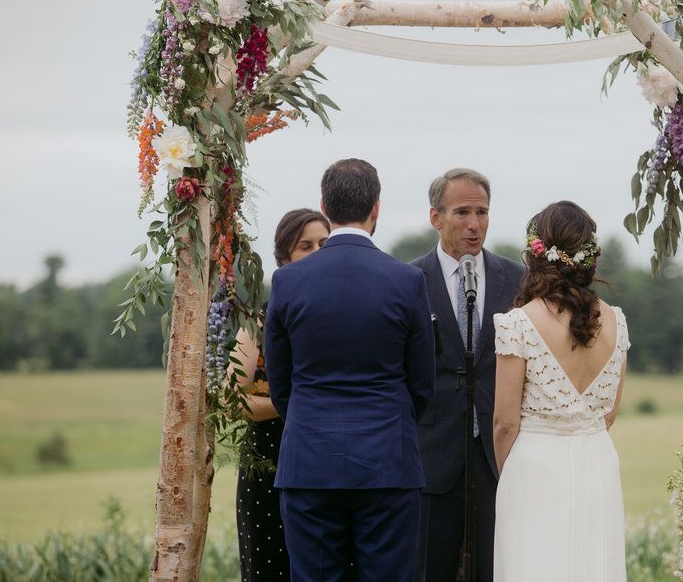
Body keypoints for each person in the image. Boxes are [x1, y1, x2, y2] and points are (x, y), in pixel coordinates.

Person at [265, 158, 436, 582]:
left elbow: (281, 384)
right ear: (376, 208)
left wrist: (309, 420)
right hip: (387, 463)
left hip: (309, 462)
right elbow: (422, 382)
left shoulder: (288, 281)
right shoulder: (406, 280)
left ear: (324, 206)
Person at [492, 201, 629, 582]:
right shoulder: (616, 321)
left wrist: (511, 475)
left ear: (535, 252)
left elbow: (505, 423)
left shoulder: (517, 323)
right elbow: (610, 412)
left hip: (534, 465)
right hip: (597, 462)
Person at [410, 168, 524, 582]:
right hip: (432, 454)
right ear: (435, 217)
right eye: (462, 212)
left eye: (482, 212)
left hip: (498, 455)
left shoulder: (517, 279)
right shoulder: (408, 280)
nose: (474, 224)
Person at [231, 208, 330, 582]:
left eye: (324, 243)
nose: (318, 251)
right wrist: (294, 402)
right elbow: (234, 400)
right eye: (306, 246)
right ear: (284, 257)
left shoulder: (349, 314)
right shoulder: (259, 321)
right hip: (268, 463)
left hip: (330, 462)